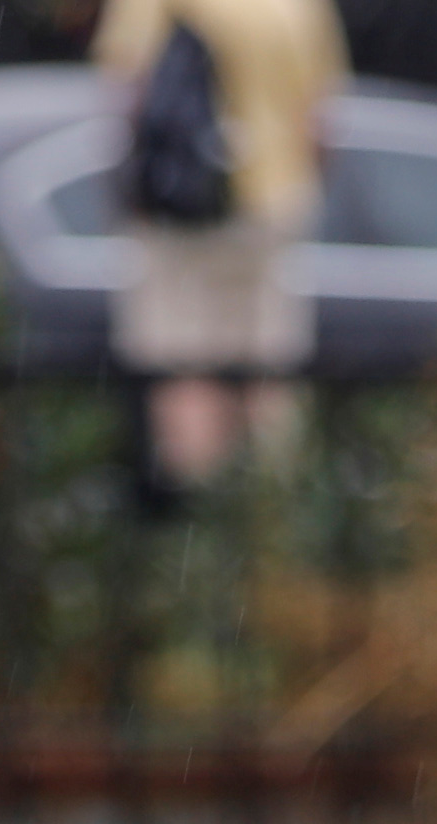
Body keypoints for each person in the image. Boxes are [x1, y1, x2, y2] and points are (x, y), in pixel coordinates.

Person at [94, 0, 344, 485]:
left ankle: (200, 515)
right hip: (274, 209)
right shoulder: (298, 8)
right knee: (269, 370)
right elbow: (320, 120)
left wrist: (136, 190)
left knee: (183, 370)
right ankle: (270, 509)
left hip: (183, 215)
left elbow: (127, 96)